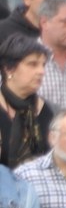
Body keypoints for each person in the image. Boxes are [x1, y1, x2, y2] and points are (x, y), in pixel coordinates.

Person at [0, 37, 53, 166]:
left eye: (43, 65)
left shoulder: (47, 111)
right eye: (32, 64)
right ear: (8, 69)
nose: (41, 71)